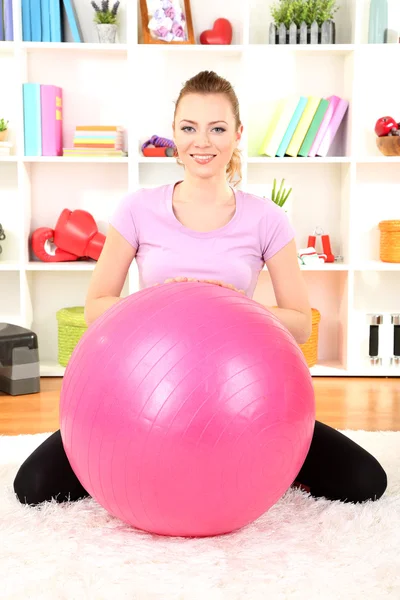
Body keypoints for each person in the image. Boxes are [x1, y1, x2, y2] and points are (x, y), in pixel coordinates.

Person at [13, 70, 387, 507]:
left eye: (217, 128)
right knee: (32, 487)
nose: (202, 142)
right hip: (146, 396)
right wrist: (163, 303)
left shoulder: (267, 219)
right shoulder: (137, 209)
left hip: (242, 397)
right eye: (189, 128)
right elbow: (96, 306)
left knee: (366, 482)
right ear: (174, 133)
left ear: (238, 135)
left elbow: (301, 325)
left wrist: (227, 304)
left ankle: (256, 465)